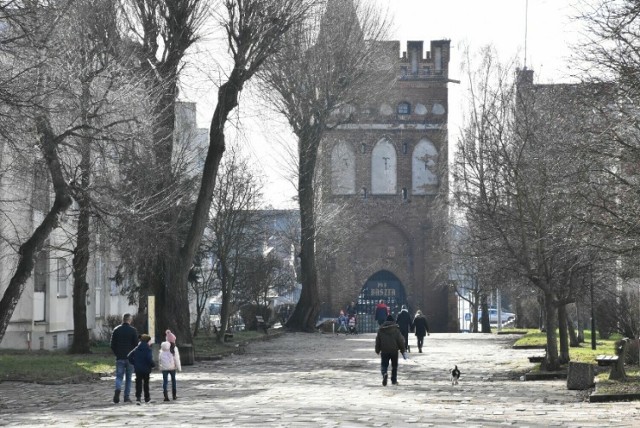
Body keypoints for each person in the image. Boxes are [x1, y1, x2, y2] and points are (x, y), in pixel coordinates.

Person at [110, 313, 138, 404]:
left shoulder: (116, 330)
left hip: (120, 357)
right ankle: (126, 397)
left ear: (123, 319)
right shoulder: (133, 331)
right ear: (129, 320)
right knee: (129, 378)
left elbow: (112, 344)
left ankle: (118, 389)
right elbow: (136, 345)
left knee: (119, 376)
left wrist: (117, 353)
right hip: (130, 358)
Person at [375, 314, 405, 386]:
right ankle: (394, 380)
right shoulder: (396, 330)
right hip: (394, 351)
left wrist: (377, 349)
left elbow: (378, 341)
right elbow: (400, 340)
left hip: (384, 350)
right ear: (393, 321)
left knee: (384, 365)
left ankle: (384, 373)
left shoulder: (381, 330)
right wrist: (403, 350)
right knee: (394, 366)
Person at [129, 333, 156, 404]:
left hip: (138, 369)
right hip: (146, 369)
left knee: (138, 383)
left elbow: (129, 356)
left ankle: (138, 397)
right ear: (147, 341)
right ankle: (147, 397)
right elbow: (149, 359)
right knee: (146, 384)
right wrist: (153, 365)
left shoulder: (136, 348)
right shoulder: (148, 349)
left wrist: (134, 363)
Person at [159, 329, 182, 401]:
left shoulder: (162, 348)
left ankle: (165, 396)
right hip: (172, 367)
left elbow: (159, 358)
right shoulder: (174, 348)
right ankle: (174, 395)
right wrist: (179, 368)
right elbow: (177, 359)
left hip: (164, 368)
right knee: (173, 381)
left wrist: (160, 367)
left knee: (165, 381)